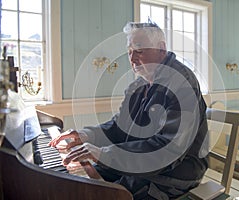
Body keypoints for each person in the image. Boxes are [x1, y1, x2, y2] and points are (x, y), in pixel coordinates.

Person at [49, 21, 209, 200]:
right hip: (140, 162)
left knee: (106, 194)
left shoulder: (182, 83)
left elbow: (169, 150)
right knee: (80, 181)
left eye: (139, 51)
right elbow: (119, 127)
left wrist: (104, 154)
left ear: (161, 49)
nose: (132, 59)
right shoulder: (138, 85)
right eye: (129, 51)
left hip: (175, 172)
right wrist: (86, 135)